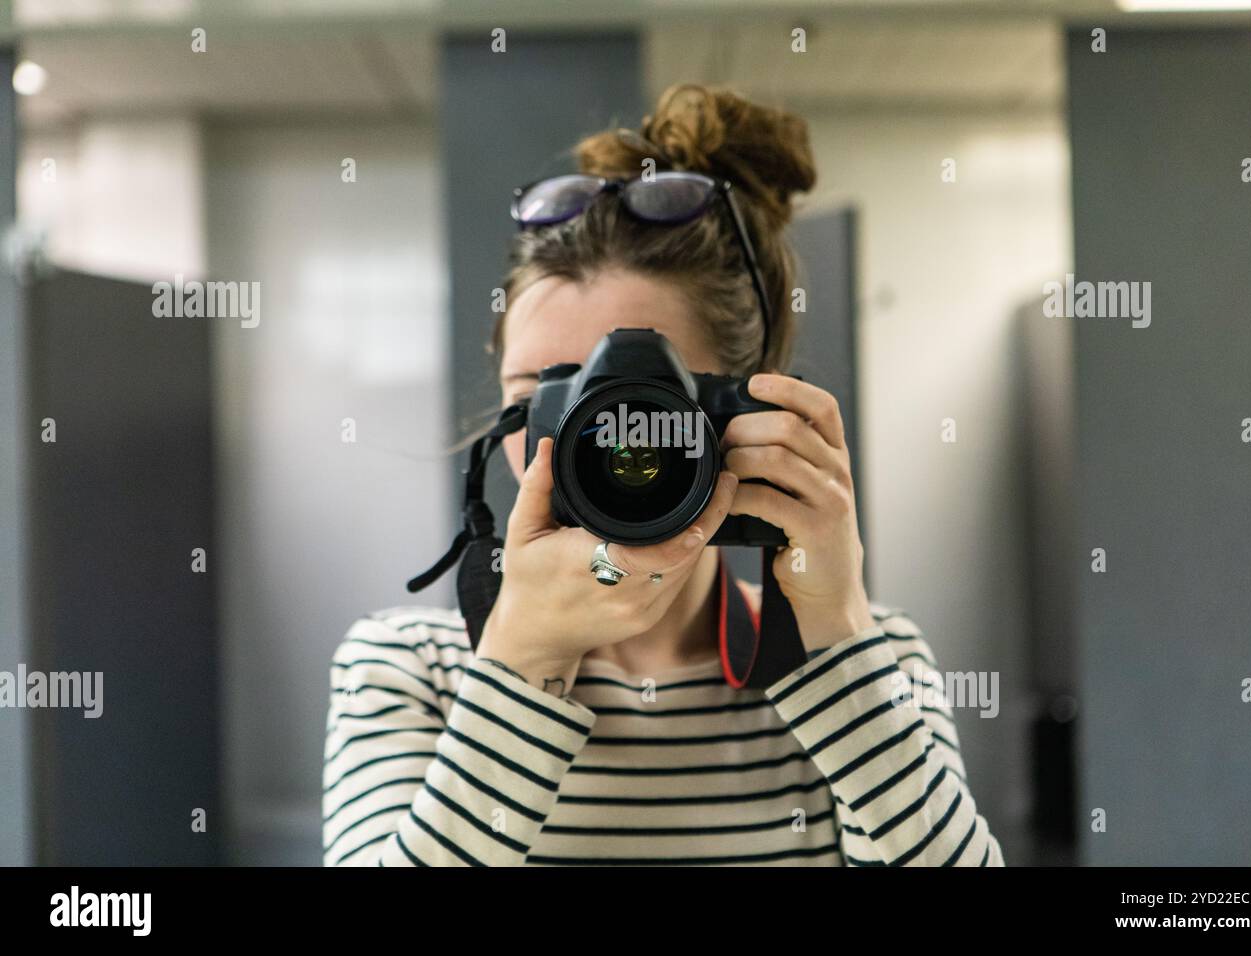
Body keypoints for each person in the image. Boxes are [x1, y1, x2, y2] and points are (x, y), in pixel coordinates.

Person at [322, 83, 1004, 867]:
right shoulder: (408, 667)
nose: (601, 442)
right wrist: (519, 664)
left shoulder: (860, 656)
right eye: (546, 397)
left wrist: (835, 634)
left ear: (751, 413)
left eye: (638, 399)